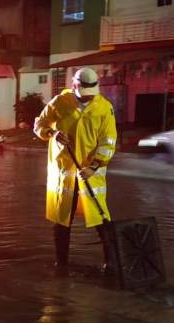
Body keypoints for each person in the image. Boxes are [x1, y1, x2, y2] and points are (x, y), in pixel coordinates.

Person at [33, 67, 117, 274]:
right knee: (62, 220)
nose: (87, 99)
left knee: (101, 218)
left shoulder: (104, 108)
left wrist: (94, 166)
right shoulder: (59, 103)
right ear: (74, 86)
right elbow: (39, 124)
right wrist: (52, 133)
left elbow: (108, 142)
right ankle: (61, 265)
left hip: (90, 173)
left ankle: (112, 264)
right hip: (64, 173)